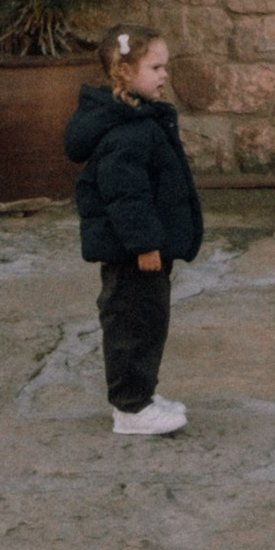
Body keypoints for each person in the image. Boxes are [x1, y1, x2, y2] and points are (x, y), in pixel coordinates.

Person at [65, 26, 205, 438]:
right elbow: (126, 197)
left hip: (144, 251)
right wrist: (145, 245)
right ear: (124, 72)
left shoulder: (141, 118)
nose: (164, 75)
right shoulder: (126, 132)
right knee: (132, 325)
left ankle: (142, 395)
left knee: (149, 321)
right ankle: (130, 408)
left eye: (166, 67)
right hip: (133, 254)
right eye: (156, 67)